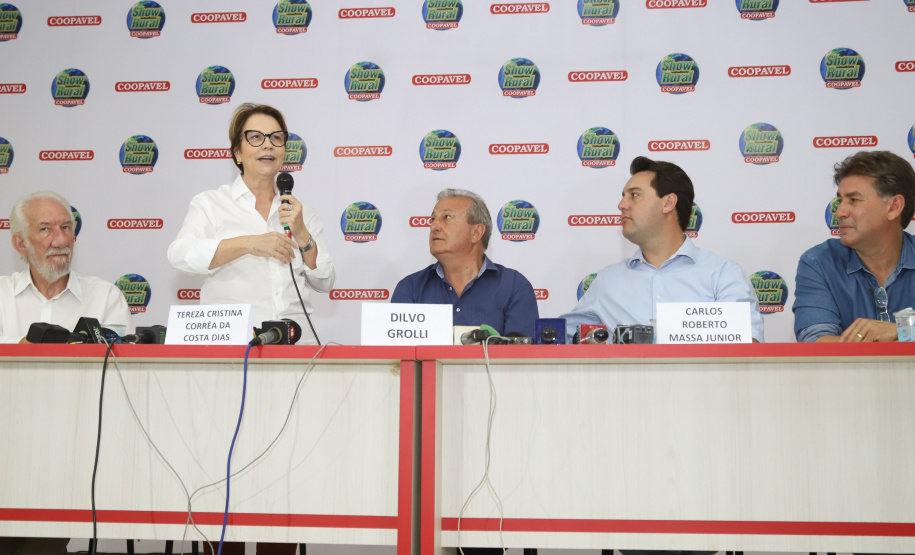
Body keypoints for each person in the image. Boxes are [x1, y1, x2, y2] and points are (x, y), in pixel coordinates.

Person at [168, 103, 335, 345]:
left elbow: (325, 281)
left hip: (296, 343)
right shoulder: (211, 204)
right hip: (234, 343)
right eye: (256, 137)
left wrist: (302, 234)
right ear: (237, 152)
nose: (268, 144)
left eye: (277, 138)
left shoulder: (302, 212)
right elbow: (179, 255)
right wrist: (249, 244)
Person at [561, 156, 764, 343]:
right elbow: (557, 337)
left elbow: (748, 348)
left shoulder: (722, 275)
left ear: (668, 203)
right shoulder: (607, 282)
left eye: (634, 195)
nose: (622, 205)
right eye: (623, 196)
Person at [793, 150, 915, 342]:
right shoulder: (819, 263)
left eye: (854, 200)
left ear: (893, 207)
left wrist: (901, 330)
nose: (839, 212)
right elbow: (816, 343)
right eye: (840, 200)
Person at [391, 188, 539, 338]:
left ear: (476, 233)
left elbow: (521, 358)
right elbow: (398, 355)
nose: (434, 226)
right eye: (433, 219)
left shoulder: (514, 286)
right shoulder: (410, 289)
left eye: (446, 217)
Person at [0, 191, 134, 344]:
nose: (61, 241)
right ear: (21, 244)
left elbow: (124, 364)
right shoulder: (2, 295)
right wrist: (21, 346)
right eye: (45, 229)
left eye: (65, 227)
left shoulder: (106, 297)